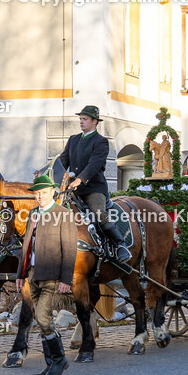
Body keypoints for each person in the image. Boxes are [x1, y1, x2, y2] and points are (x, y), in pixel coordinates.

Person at [15, 174, 78, 375]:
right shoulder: (33, 214)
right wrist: (20, 275)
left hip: (52, 276)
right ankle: (52, 364)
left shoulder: (64, 214)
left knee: (43, 318)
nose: (40, 197)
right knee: (42, 322)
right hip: (33, 274)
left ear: (52, 192)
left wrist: (66, 280)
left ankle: (58, 360)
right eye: (36, 193)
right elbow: (26, 248)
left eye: (43, 193)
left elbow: (69, 250)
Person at [59, 105, 130, 262]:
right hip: (72, 189)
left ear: (95, 121)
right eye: (80, 119)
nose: (81, 122)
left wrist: (79, 179)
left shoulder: (101, 142)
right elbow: (62, 161)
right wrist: (47, 172)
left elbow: (94, 164)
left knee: (99, 213)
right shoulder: (73, 139)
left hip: (93, 189)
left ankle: (120, 245)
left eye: (84, 119)